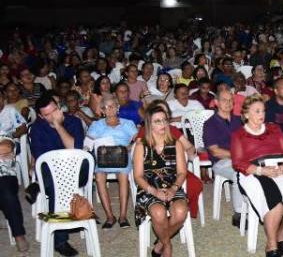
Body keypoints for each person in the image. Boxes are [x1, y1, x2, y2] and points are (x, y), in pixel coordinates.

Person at [231, 94, 283, 257]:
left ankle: (281, 235)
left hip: (279, 168)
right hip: (253, 172)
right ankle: (271, 244)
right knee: (275, 203)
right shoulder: (238, 135)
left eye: (263, 111)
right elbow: (238, 162)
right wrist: (263, 171)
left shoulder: (274, 128)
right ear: (246, 114)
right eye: (257, 111)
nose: (262, 114)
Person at [30, 92, 85, 256]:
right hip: (52, 173)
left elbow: (75, 151)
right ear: (40, 116)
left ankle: (37, 186)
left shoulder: (73, 122)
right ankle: (60, 240)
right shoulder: (37, 129)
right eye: (47, 115)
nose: (53, 116)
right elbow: (42, 160)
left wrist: (59, 126)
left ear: (59, 108)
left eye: (55, 111)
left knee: (56, 181)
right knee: (55, 183)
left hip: (75, 171)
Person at [133, 106, 188, 257]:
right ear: (149, 124)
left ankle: (160, 243)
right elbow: (138, 176)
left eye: (164, 120)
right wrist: (154, 191)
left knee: (181, 211)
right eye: (157, 121)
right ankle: (167, 246)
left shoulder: (176, 144)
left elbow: (182, 172)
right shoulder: (141, 146)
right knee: (158, 212)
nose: (163, 124)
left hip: (172, 185)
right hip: (149, 187)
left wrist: (173, 189)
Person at [87, 94, 137, 228]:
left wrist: (129, 148)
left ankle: (122, 216)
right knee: (99, 176)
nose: (109, 109)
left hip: (122, 156)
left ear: (118, 107)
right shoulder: (96, 124)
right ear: (102, 110)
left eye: (112, 106)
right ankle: (110, 216)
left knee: (123, 175)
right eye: (106, 107)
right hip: (103, 158)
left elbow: (140, 140)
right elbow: (88, 143)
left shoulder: (128, 123)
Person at [202, 89, 244, 227]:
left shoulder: (238, 120)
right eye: (224, 100)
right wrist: (237, 155)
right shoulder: (210, 124)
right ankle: (239, 213)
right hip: (222, 162)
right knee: (240, 173)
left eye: (231, 100)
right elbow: (215, 151)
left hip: (241, 158)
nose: (228, 103)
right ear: (216, 102)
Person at [0, 89, 29, 251]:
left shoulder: (10, 111)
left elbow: (5, 147)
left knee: (6, 192)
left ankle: (19, 234)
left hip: (4, 171)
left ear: (3, 99)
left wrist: (12, 135)